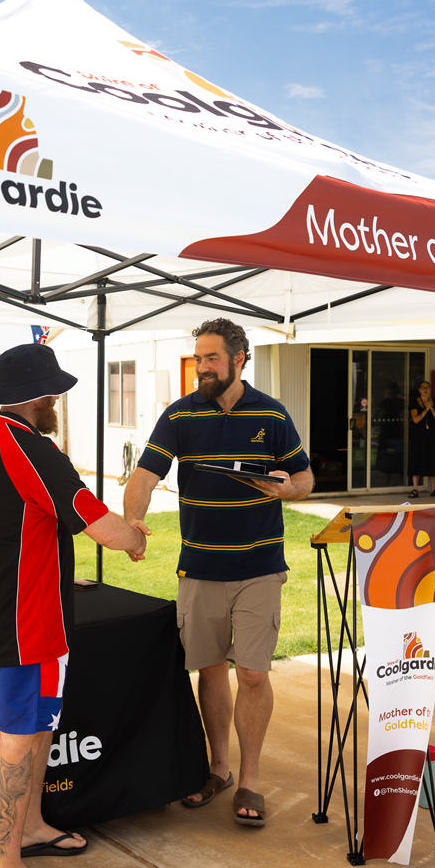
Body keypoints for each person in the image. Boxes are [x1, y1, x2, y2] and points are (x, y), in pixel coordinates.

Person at [0, 344, 146, 868]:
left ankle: (32, 826)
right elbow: (99, 524)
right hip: (26, 625)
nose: (58, 401)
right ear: (36, 397)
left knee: (37, 730)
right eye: (54, 393)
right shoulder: (30, 447)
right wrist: (134, 536)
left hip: (9, 618)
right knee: (19, 741)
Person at [123, 319, 313, 827]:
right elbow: (145, 474)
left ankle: (250, 779)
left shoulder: (271, 413)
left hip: (259, 567)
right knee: (209, 670)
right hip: (200, 568)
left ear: (238, 358)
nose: (202, 367)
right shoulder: (180, 414)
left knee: (252, 673)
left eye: (211, 358)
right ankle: (219, 768)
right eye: (199, 358)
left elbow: (304, 476)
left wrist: (287, 489)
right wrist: (133, 518)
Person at [408, 380, 435, 497]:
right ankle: (415, 488)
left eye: (427, 387)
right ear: (419, 390)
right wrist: (426, 409)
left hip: (431, 434)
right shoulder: (414, 403)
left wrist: (431, 408)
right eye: (423, 387)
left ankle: (433, 489)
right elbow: (415, 419)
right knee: (416, 458)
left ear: (430, 390)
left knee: (432, 458)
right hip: (418, 435)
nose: (425, 389)